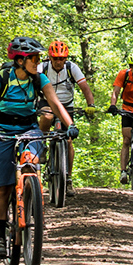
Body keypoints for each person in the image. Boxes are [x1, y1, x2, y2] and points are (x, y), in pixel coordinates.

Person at [0, 37, 77, 261]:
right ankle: (1, 238)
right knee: (2, 188)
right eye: (34, 59)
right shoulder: (3, 77)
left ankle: (30, 200)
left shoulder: (39, 79)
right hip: (1, 131)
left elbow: (55, 103)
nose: (38, 62)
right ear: (20, 61)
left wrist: (70, 125)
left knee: (31, 164)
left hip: (29, 129)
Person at [37, 40, 98, 177]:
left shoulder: (72, 68)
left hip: (66, 104)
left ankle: (68, 177)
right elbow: (32, 82)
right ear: (50, 57)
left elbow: (85, 88)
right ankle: (42, 144)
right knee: (47, 116)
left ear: (66, 58)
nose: (58, 61)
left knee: (69, 140)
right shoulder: (42, 67)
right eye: (55, 58)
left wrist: (91, 105)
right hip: (46, 101)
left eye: (62, 58)